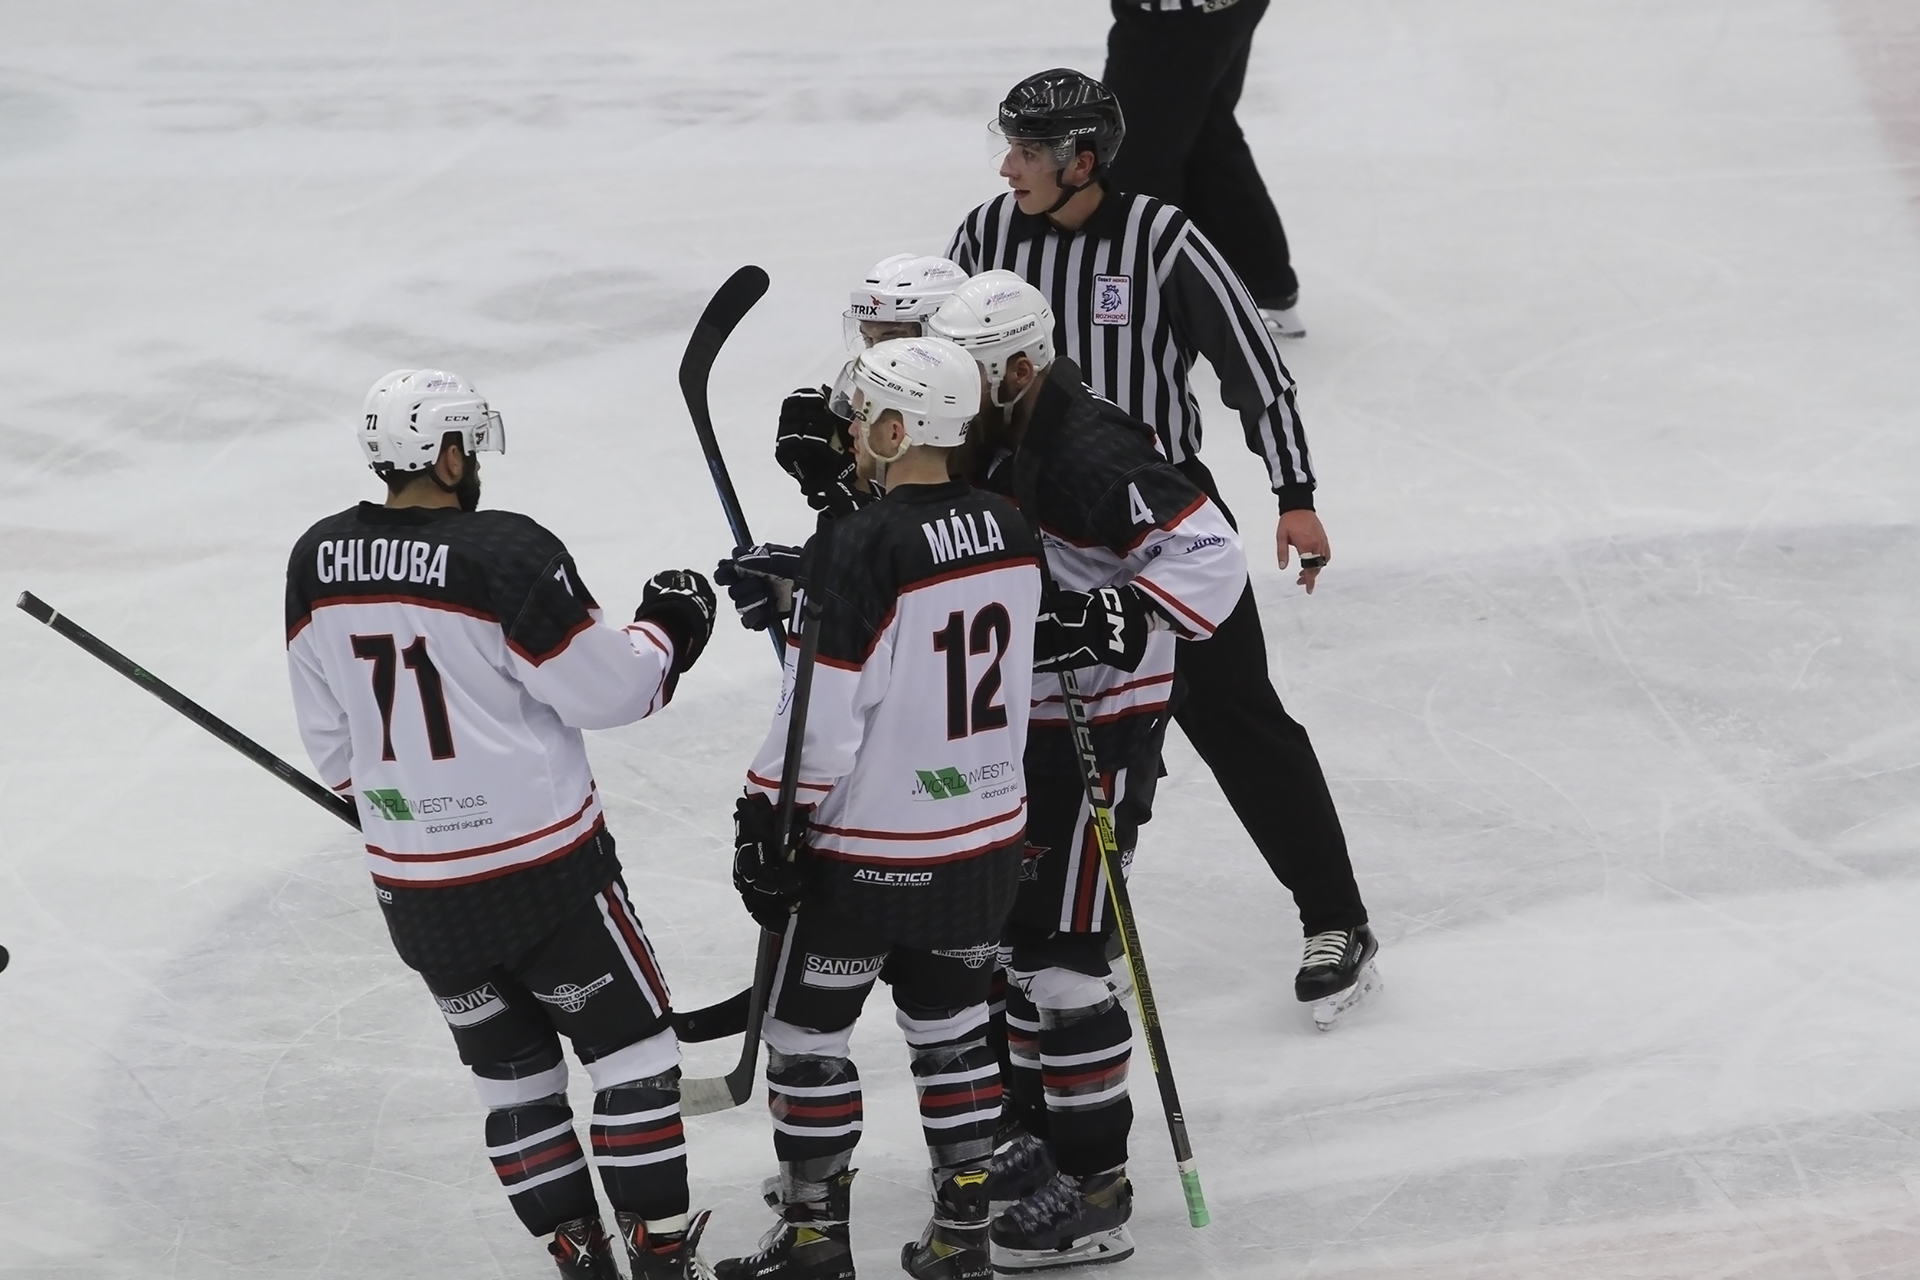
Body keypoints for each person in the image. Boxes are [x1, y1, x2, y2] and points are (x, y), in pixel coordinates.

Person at [946, 70, 1381, 1029]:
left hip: (1161, 517)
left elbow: (1256, 370)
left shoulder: (1162, 238)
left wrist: (1294, 495)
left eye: (1027, 151)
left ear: (1082, 162)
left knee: (1238, 722)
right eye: (1007, 146)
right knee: (1051, 732)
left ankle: (1335, 919)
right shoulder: (983, 237)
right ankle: (1070, 923)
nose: (1008, 166)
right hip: (1027, 519)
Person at [284, 369, 719, 1280]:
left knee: (513, 1079)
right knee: (632, 1055)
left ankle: (580, 1260)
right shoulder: (506, 551)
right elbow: (611, 691)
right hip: (544, 881)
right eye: (467, 447)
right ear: (447, 457)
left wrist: (411, 809)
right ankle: (659, 1258)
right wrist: (671, 623)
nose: (473, 463)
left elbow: (334, 751)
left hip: (418, 894)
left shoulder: (315, 559)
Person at [928, 272, 1247, 1271]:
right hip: (1023, 728)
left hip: (1096, 730)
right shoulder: (1000, 431)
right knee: (1016, 950)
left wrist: (1113, 615)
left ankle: (1096, 1188)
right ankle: (1044, 1145)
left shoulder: (1088, 449)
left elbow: (1212, 555)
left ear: (1022, 368)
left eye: (972, 374)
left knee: (1063, 960)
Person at [711, 336, 1043, 1280]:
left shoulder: (861, 542)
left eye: (862, 419)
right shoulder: (1012, 526)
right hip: (984, 843)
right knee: (953, 1031)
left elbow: (822, 714)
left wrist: (765, 818)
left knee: (806, 1037)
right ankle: (963, 1240)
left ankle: (815, 1241)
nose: (851, 434)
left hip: (870, 854)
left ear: (899, 431)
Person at [1101, 0, 1306, 338]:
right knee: (1204, 138)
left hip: (1176, 17)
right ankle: (1262, 283)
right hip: (1214, 13)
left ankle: (1151, 304)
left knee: (1134, 156)